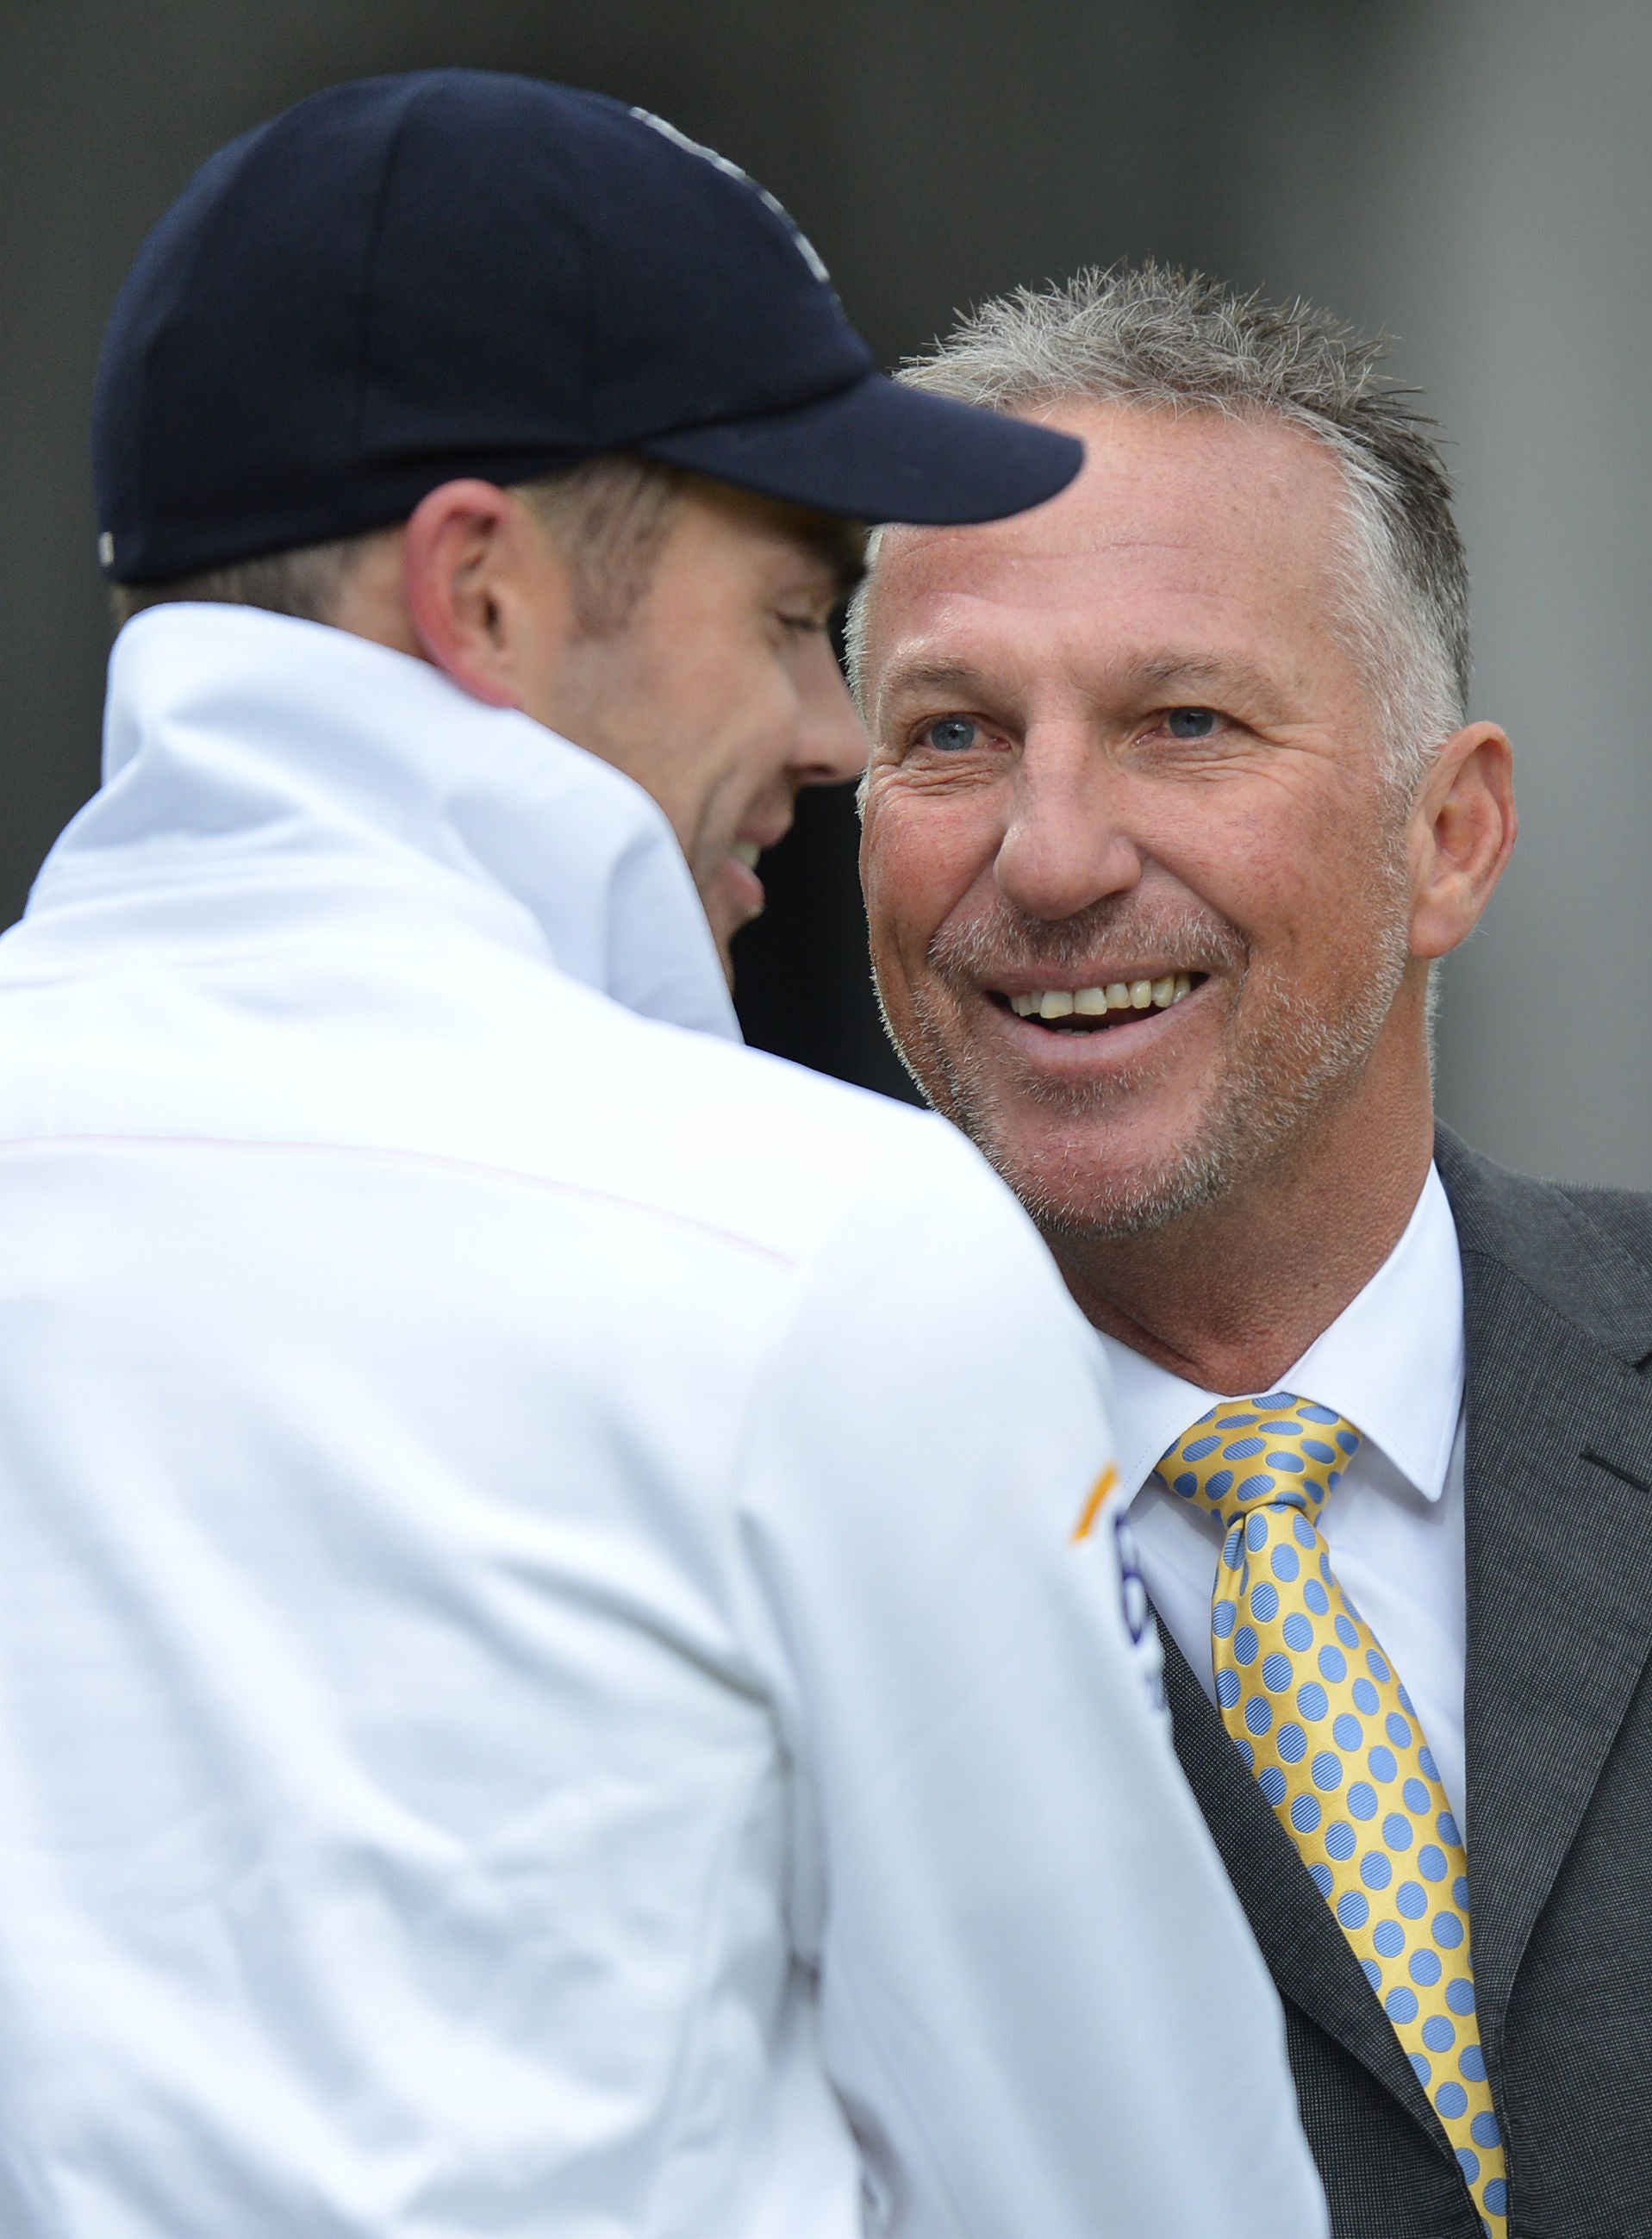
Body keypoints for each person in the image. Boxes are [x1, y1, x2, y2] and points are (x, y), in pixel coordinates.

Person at [0, 86, 1327, 2239]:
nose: (830, 732)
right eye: (791, 617)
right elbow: (1130, 2194)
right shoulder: (820, 1251)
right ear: (484, 597)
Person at [856, 260, 1652, 2239]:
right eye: (951, 736)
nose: (1051, 856)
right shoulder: (716, 1530)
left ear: (1450, 838)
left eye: (1180, 720)